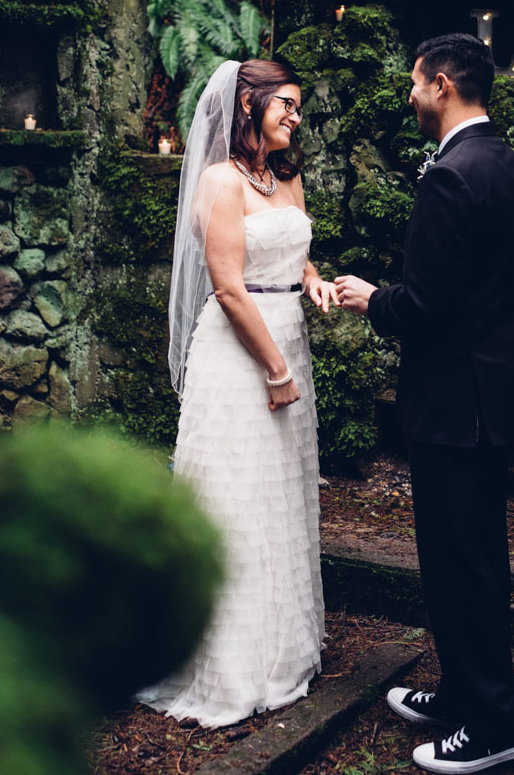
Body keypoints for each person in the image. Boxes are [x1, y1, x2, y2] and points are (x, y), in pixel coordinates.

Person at [335, 33, 514, 773]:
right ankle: (463, 689)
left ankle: (499, 723)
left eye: (415, 84)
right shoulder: (508, 164)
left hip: (457, 403)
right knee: (473, 555)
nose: (409, 96)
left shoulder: (452, 175)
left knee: (461, 564)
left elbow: (426, 304)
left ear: (443, 84)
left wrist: (370, 300)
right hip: (493, 392)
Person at [140, 58, 338, 728]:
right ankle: (228, 663)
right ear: (248, 107)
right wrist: (275, 372)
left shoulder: (285, 177)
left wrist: (311, 279)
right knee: (235, 496)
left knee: (281, 492)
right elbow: (227, 287)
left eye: (298, 106)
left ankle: (285, 649)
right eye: (285, 103)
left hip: (288, 340)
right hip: (240, 355)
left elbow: (294, 249)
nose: (295, 116)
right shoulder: (220, 184)